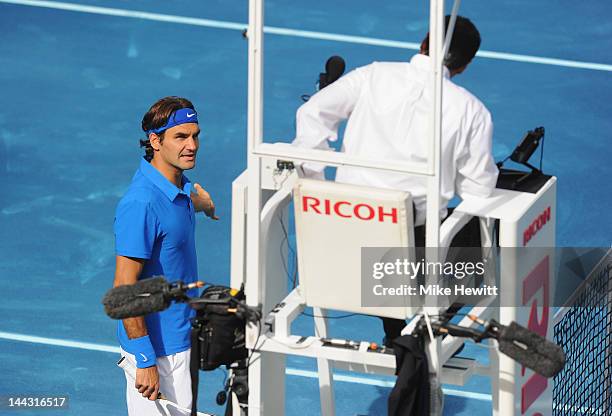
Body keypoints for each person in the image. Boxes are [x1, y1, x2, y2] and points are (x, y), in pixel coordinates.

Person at [292, 16, 498, 346]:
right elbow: (478, 190)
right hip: (411, 254)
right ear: (465, 65)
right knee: (484, 232)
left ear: (424, 42)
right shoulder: (472, 111)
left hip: (337, 231)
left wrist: (316, 185)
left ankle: (396, 329)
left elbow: (311, 114)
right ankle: (426, 330)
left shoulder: (372, 75)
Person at [113, 96, 217, 415]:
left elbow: (177, 209)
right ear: (156, 141)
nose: (192, 145)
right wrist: (144, 359)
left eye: (195, 135)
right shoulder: (140, 204)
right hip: (159, 352)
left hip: (182, 336)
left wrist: (203, 204)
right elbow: (123, 289)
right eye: (181, 137)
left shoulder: (178, 187)